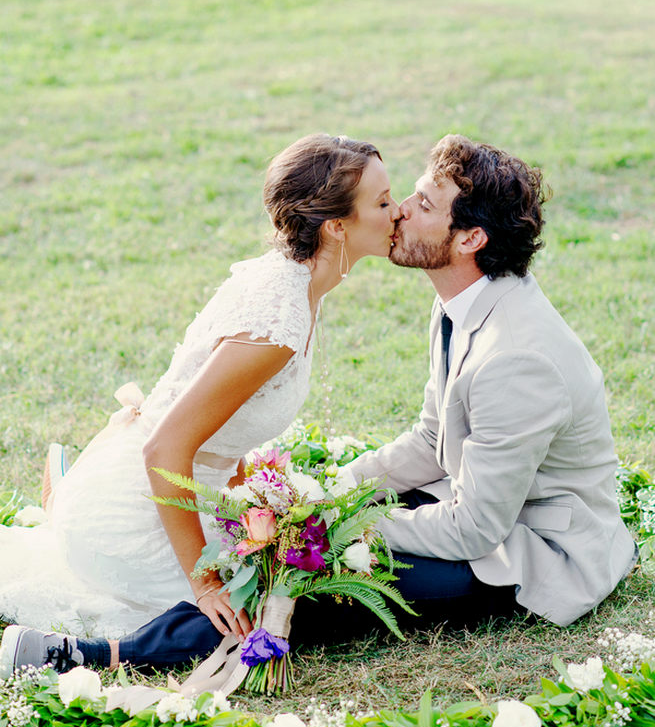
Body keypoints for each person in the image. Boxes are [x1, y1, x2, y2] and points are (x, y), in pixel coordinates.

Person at [0, 134, 637, 678]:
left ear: (469, 237)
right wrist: (333, 493)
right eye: (397, 198)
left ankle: (98, 654)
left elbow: (476, 529)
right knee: (294, 548)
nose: (402, 213)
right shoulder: (460, 299)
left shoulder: (515, 356)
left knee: (307, 580)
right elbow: (428, 439)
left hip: (529, 550)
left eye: (420, 204)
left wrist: (323, 529)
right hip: (477, 501)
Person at [0, 134, 399, 649]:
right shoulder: (277, 322)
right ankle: (76, 511)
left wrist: (248, 509)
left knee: (295, 574)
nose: (400, 211)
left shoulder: (292, 282)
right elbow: (165, 448)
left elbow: (225, 423)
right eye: (384, 202)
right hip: (131, 514)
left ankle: (71, 491)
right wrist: (204, 582)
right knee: (273, 607)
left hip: (177, 484)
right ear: (337, 225)